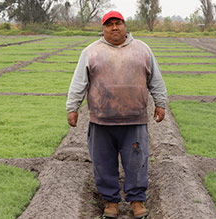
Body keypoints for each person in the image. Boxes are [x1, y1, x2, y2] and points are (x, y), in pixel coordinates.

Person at [66, 10, 167, 218]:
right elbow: (79, 83)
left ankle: (137, 201)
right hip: (101, 121)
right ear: (102, 29)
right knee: (103, 163)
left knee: (137, 163)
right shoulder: (91, 52)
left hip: (135, 121)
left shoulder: (142, 50)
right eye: (109, 24)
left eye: (118, 23)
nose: (114, 28)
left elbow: (155, 80)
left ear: (125, 26)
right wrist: (72, 108)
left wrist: (160, 103)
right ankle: (111, 202)